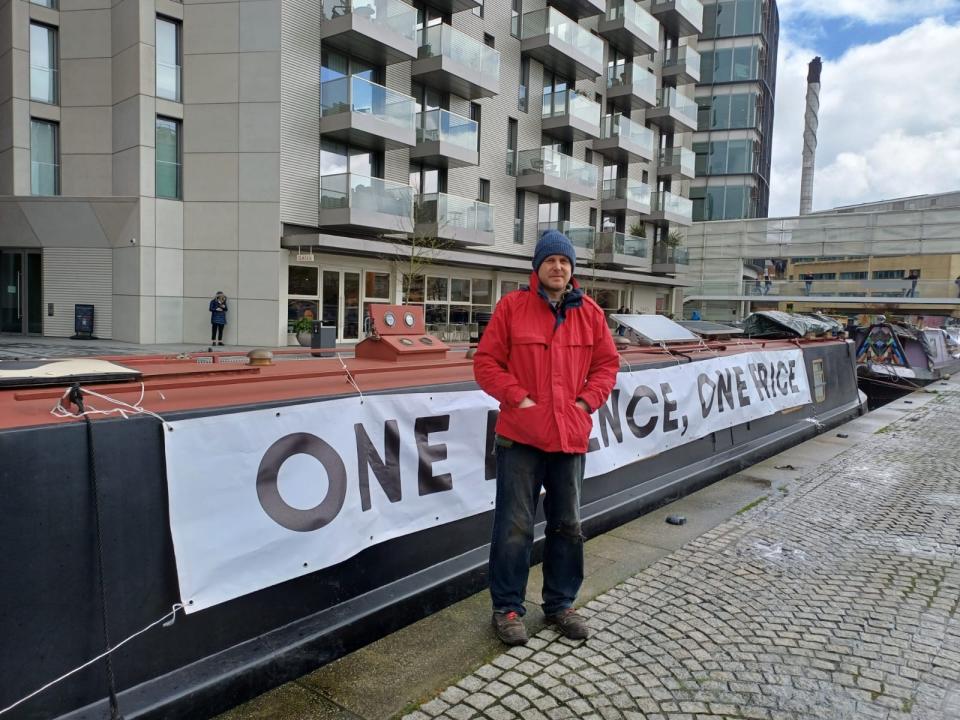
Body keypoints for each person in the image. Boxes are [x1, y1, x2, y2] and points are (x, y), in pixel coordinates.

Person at [473, 230, 619, 646]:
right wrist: (516, 399)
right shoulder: (512, 308)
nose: (558, 267)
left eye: (565, 262)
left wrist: (586, 404)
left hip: (569, 437)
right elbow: (486, 363)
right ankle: (508, 608)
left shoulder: (590, 313)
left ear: (572, 270)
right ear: (537, 267)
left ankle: (560, 605)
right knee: (514, 526)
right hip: (519, 438)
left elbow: (607, 366)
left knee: (568, 525)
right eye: (551, 260)